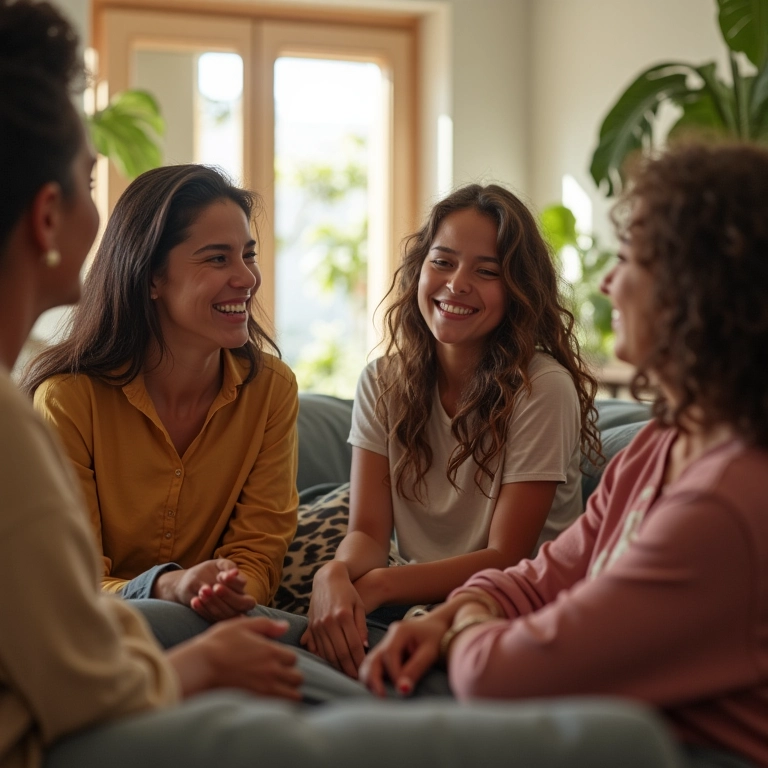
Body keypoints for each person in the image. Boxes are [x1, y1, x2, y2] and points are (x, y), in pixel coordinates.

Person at [359, 142, 768, 767]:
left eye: (629, 260)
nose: (607, 282)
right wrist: (452, 616)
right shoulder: (661, 444)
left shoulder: (726, 503)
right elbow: (544, 574)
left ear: (696, 290)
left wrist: (460, 622)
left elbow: (499, 675)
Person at [303, 183, 601, 678]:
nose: (457, 283)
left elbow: (507, 556)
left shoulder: (542, 387)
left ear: (518, 291)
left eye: (486, 271)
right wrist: (333, 574)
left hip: (508, 603)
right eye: (442, 261)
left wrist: (376, 587)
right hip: (409, 597)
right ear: (419, 268)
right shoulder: (382, 380)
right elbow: (368, 534)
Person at [21, 161, 298, 623]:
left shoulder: (271, 390)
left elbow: (258, 557)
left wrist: (219, 596)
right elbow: (71, 578)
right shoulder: (68, 400)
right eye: (217, 258)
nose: (247, 278)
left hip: (221, 622)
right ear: (151, 276)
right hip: (96, 630)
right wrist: (167, 587)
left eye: (248, 255)